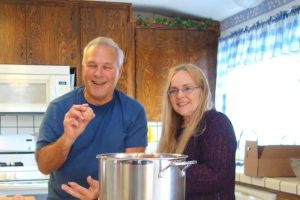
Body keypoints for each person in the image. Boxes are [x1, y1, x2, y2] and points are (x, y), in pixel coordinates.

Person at [35, 36, 148, 199]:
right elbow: (44, 167)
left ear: (120, 71)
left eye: (107, 67)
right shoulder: (58, 108)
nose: (98, 74)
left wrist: (104, 192)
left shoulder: (134, 112)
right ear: (83, 67)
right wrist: (67, 138)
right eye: (92, 65)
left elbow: (132, 172)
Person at [157, 63, 237, 200]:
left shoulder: (216, 122)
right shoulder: (175, 130)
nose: (179, 95)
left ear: (203, 90)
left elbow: (215, 175)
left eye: (187, 88)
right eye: (174, 90)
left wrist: (162, 173)